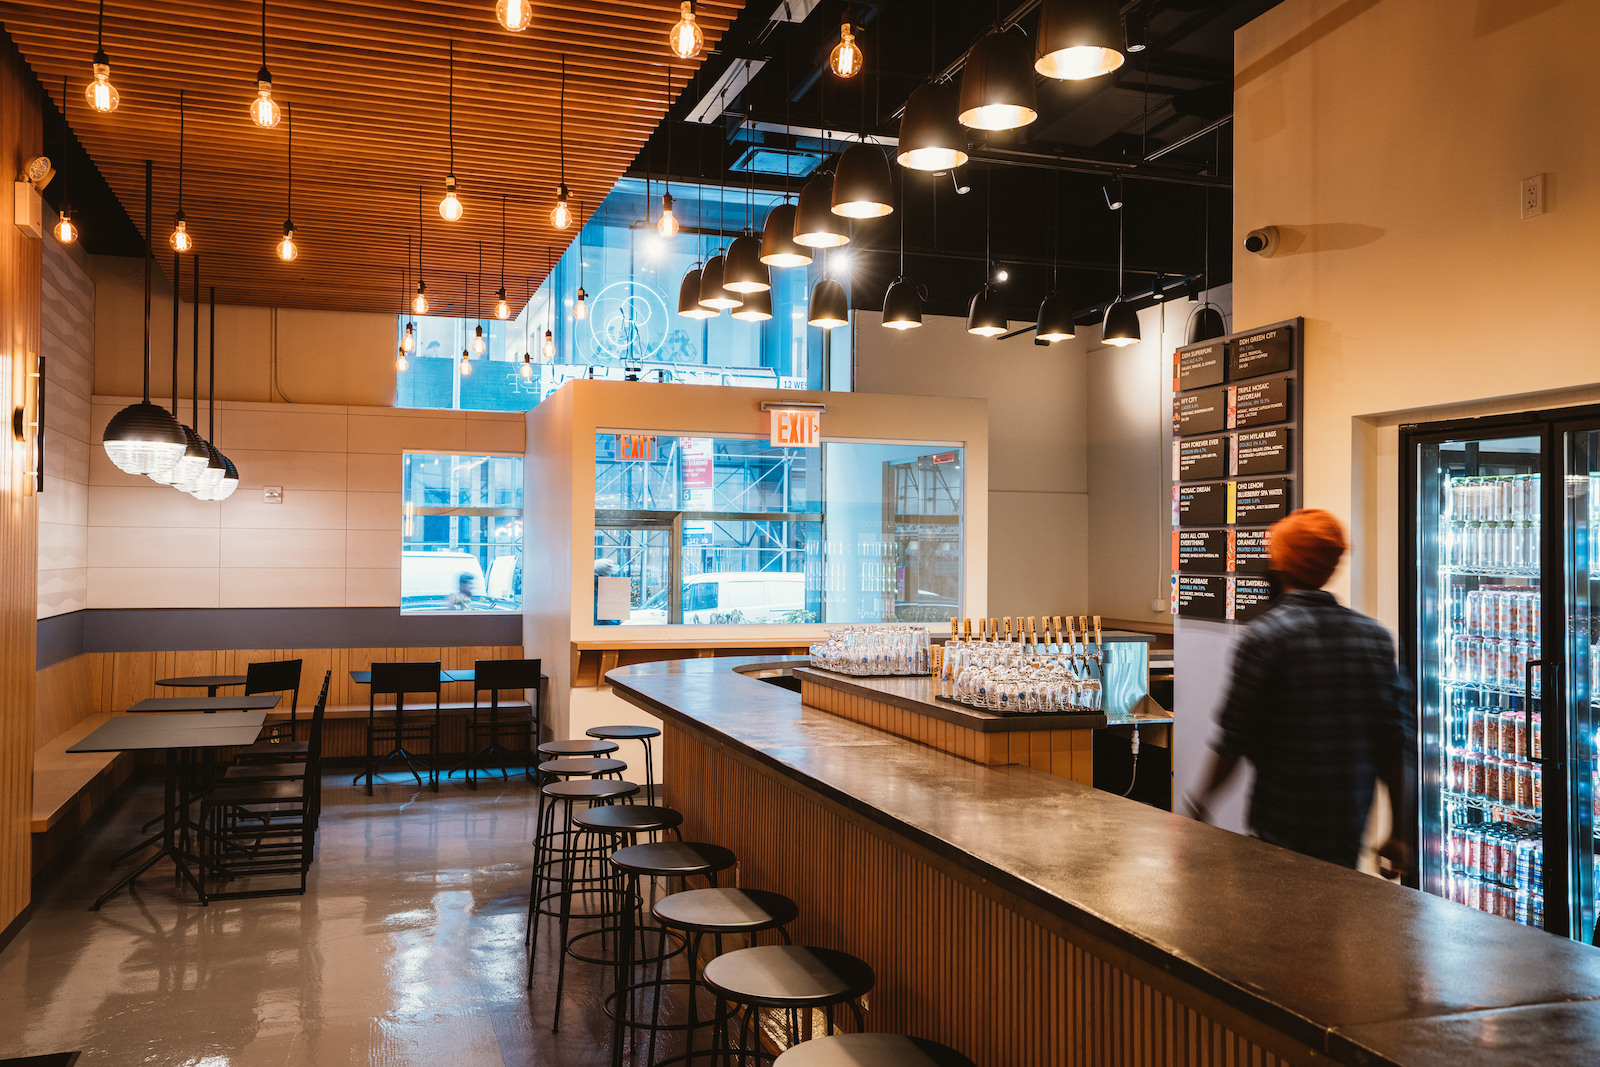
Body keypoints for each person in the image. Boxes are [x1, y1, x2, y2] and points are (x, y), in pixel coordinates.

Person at [1187, 508, 1413, 877]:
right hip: (1347, 823)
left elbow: (1234, 737)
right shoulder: (1373, 637)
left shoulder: (1266, 636)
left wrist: (1202, 801)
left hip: (1281, 824)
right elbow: (1391, 741)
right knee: (1332, 922)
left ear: (1282, 563)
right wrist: (1400, 832)